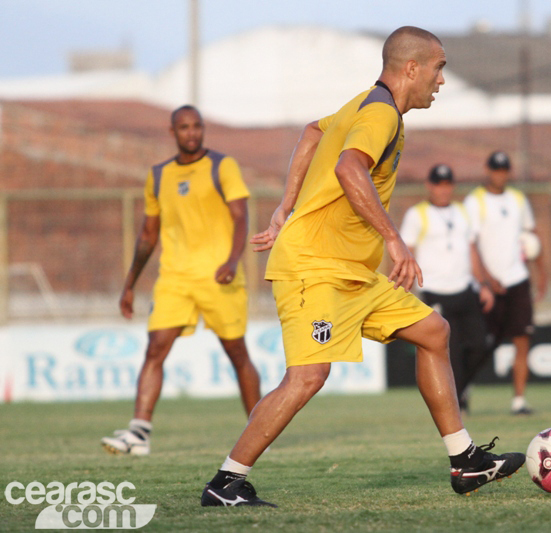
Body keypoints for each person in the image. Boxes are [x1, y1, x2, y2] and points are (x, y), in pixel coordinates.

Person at [200, 26, 525, 508]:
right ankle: (224, 484)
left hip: (350, 272)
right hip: (315, 267)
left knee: (433, 331)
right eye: (438, 68)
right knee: (308, 376)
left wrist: (286, 205)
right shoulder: (381, 114)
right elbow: (349, 167)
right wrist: (394, 239)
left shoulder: (365, 105)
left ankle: (466, 461)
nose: (440, 80)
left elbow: (313, 132)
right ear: (411, 68)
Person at [101, 105, 261, 456]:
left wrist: (233, 260)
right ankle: (139, 433)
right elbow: (148, 234)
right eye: (184, 127)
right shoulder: (158, 175)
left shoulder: (223, 166)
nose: (192, 132)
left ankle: (261, 429)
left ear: (203, 129)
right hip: (174, 278)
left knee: (237, 353)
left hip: (219, 277)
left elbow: (240, 217)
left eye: (197, 126)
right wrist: (129, 284)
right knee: (155, 348)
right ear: (172, 132)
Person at [399, 163, 494, 414]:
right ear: (429, 186)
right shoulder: (416, 214)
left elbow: (472, 249)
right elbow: (406, 252)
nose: (443, 190)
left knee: (479, 345)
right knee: (450, 348)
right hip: (434, 290)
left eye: (447, 185)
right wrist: (406, 289)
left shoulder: (462, 212)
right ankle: (456, 402)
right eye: (438, 185)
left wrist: (483, 284)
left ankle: (460, 391)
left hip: (464, 287)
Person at [464, 151, 548, 416]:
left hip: (517, 279)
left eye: (504, 170)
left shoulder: (518, 200)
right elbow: (471, 244)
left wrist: (541, 274)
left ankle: (519, 401)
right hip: (488, 286)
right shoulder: (474, 201)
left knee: (522, 339)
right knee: (482, 344)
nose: (500, 174)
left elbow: (531, 240)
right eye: (496, 169)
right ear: (487, 170)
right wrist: (486, 280)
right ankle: (464, 390)